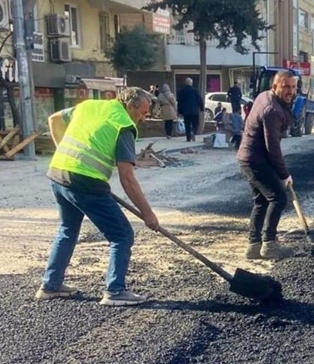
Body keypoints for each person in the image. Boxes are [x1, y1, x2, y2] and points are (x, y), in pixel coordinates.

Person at [36, 87, 161, 306]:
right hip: (85, 182)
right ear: (130, 106)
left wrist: (64, 152)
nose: (144, 118)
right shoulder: (123, 125)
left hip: (58, 173)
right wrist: (148, 214)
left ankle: (50, 286)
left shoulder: (90, 105)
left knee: (67, 230)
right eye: (142, 112)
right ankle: (115, 291)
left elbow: (54, 119)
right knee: (121, 235)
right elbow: (127, 178)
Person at [237, 70, 297, 260]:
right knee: (278, 197)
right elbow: (273, 148)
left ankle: (253, 247)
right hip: (256, 160)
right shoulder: (272, 111)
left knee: (261, 201)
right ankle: (269, 244)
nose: (290, 91)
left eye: (293, 87)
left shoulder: (264, 96)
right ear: (275, 86)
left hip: (248, 157)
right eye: (286, 86)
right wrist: (284, 174)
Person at [177, 78, 204, 142]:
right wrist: (202, 108)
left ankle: (188, 138)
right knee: (196, 123)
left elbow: (179, 101)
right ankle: (193, 131)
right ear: (191, 83)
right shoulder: (195, 90)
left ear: (185, 83)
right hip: (194, 110)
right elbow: (199, 100)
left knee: (187, 124)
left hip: (185, 111)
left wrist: (179, 111)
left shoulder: (181, 91)